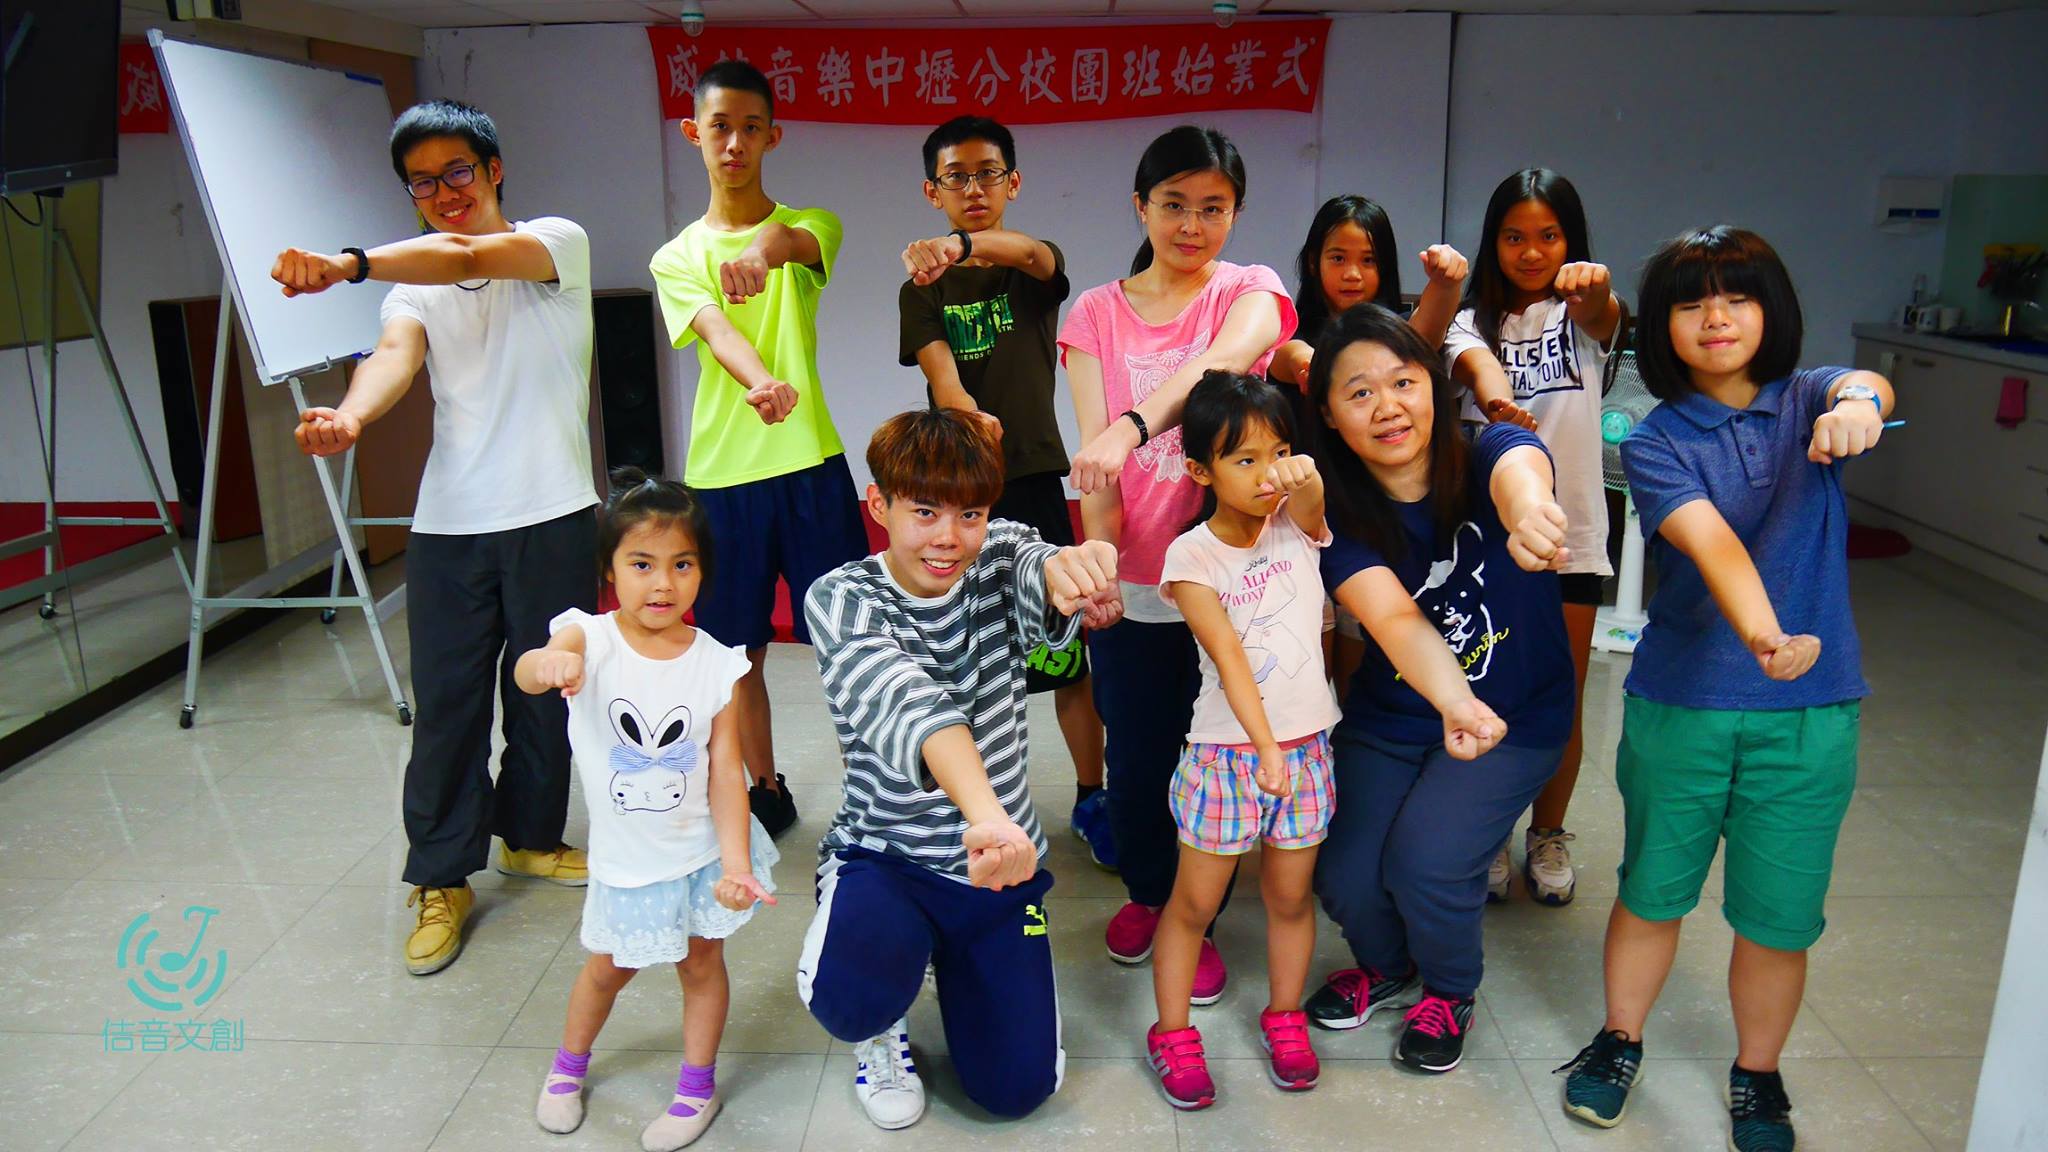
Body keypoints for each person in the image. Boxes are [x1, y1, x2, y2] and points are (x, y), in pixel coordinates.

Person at [1558, 226, 1892, 1152]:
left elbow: (1866, 386)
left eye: (1737, 296)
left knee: (1778, 921)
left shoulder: (1811, 398)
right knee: (1652, 893)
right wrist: (1765, 637)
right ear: (1661, 325)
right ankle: (1620, 1039)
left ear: (1771, 310)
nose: (1716, 317)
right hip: (1684, 705)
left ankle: (1758, 1073)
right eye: (1691, 301)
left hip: (1812, 716)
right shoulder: (1657, 440)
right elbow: (1712, 544)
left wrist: (1860, 404)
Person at [271, 99, 597, 976]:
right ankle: (441, 877)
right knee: (449, 707)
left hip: (555, 511)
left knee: (547, 696)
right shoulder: (410, 287)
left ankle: (530, 838)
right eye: (423, 183)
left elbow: (467, 255)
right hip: (451, 523)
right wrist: (351, 416)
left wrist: (346, 263)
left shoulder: (555, 243)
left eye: (458, 171)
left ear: (494, 170)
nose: (445, 192)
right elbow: (393, 356)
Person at [794, 407, 1118, 1129]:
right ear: (878, 505)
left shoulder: (999, 554)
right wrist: (988, 817)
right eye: (924, 511)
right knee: (851, 999)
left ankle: (955, 959)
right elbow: (916, 707)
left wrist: (1072, 570)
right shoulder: (842, 598)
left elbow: (1036, 564)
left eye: (969, 513)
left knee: (1017, 1089)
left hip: (995, 873)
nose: (948, 537)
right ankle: (883, 1016)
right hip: (887, 856)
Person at [1303, 304, 1576, 1074]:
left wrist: (1531, 516)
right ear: (1330, 415)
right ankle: (1390, 969)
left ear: (1433, 385)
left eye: (1403, 382)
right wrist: (1453, 701)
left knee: (1427, 863)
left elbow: (1524, 473)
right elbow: (1393, 618)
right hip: (1397, 715)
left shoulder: (1487, 453)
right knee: (1345, 875)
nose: (1387, 406)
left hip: (1512, 718)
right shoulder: (1338, 518)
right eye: (1359, 392)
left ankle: (1450, 990)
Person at [1060, 125, 1295, 998]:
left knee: (1218, 758)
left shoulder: (1250, 290)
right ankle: (1152, 894)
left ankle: (1200, 915)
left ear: (1236, 212)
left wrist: (1132, 428)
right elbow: (1094, 462)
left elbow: (1222, 364)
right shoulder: (1094, 313)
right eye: (1173, 205)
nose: (1192, 225)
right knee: (1139, 754)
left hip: (1235, 579)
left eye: (1213, 207)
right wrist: (1100, 562)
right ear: (1141, 207)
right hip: (1137, 581)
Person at [514, 470, 776, 1151]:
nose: (662, 584)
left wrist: (737, 865)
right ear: (609, 570)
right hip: (627, 864)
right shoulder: (588, 637)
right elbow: (535, 665)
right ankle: (567, 1069)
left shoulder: (717, 664)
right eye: (641, 564)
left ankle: (696, 1088)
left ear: (702, 572)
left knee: (702, 966)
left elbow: (725, 773)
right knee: (608, 969)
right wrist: (545, 666)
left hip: (700, 855)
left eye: (681, 565)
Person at [649, 60, 868, 839]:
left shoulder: (815, 225)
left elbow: (790, 240)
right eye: (719, 127)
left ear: (773, 136)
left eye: (750, 128)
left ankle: (875, 795)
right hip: (722, 478)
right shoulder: (675, 257)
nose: (734, 143)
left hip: (810, 465)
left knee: (852, 644)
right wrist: (763, 381)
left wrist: (761, 255)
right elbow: (713, 328)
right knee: (736, 653)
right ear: (693, 133)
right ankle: (765, 787)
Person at [897, 114, 1112, 871]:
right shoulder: (919, 290)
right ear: (933, 191)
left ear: (1012, 182)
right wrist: (967, 414)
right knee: (963, 661)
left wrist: (961, 246)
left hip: (1034, 481)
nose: (974, 188)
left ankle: (1092, 795)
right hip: (957, 494)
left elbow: (1031, 254)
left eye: (987, 173)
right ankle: (973, 807)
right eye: (955, 177)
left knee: (1065, 658)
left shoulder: (1030, 268)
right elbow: (942, 375)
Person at [1145, 371, 1339, 1110]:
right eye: (1245, 459)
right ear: (1202, 471)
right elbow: (1227, 656)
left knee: (1289, 898)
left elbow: (1312, 500)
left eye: (1278, 452)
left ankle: (1285, 1017)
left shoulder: (1297, 521)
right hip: (1229, 756)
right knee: (1195, 904)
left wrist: (1303, 473)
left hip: (1307, 750)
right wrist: (1264, 749)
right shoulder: (1191, 556)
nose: (1267, 474)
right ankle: (1172, 1032)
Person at [1445, 169, 1623, 906]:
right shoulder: (1466, 321)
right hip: (1483, 545)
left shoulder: (1583, 316)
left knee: (1560, 697)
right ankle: (1488, 832)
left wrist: (1595, 290)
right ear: (1493, 242)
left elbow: (1606, 314)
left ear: (1571, 241)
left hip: (1570, 540)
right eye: (1514, 237)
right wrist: (1497, 402)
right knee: (1481, 693)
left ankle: (1547, 833)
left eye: (1548, 236)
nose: (1531, 251)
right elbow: (1474, 366)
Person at [1263, 195, 1473, 701]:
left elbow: (1422, 336)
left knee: (1367, 657)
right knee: (1308, 665)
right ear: (1313, 262)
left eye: (1369, 260)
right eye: (1337, 258)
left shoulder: (1395, 335)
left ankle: (1361, 732)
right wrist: (1308, 362)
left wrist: (1446, 285)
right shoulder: (1289, 330)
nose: (1353, 273)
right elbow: (1286, 358)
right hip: (1304, 522)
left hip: (1373, 522)